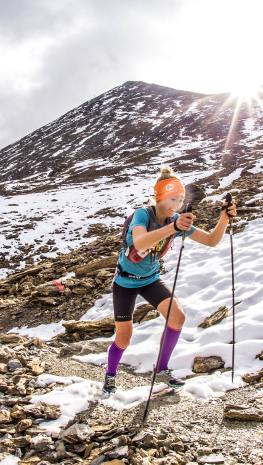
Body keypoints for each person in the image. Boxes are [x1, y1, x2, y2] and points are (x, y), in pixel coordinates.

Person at [102, 165, 236, 394]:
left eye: (181, 199)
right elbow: (140, 242)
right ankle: (110, 375)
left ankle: (162, 369)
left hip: (150, 279)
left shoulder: (175, 219)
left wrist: (224, 218)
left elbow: (211, 241)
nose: (177, 204)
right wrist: (173, 227)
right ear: (160, 198)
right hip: (125, 282)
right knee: (124, 338)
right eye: (173, 199)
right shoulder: (143, 214)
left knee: (177, 317)